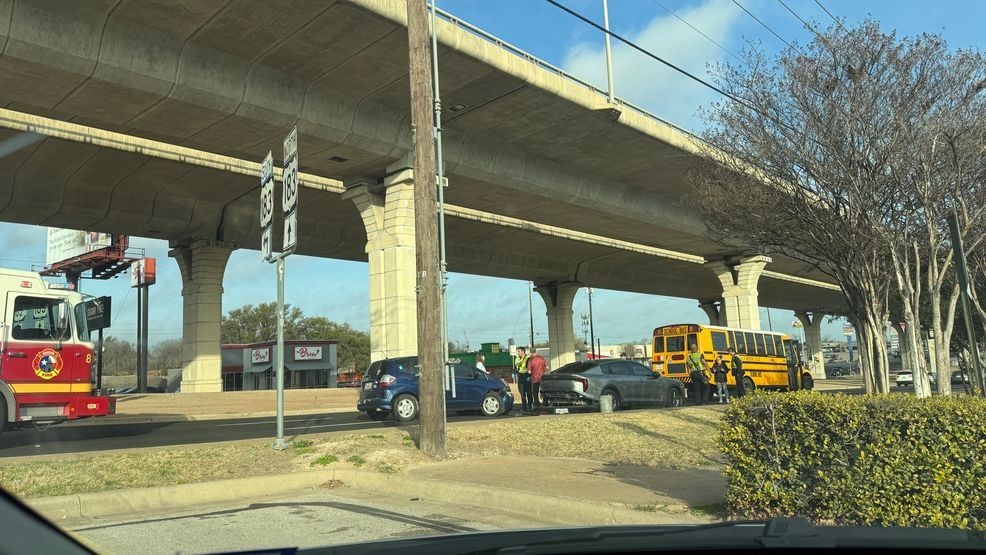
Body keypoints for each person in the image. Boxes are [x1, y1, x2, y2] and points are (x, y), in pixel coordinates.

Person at [514, 347, 533, 412]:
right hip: (520, 377)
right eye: (518, 351)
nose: (518, 353)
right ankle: (524, 407)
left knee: (529, 393)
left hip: (527, 376)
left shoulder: (528, 358)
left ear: (523, 352)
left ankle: (530, 406)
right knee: (522, 393)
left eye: (519, 351)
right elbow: (517, 364)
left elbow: (530, 367)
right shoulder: (517, 358)